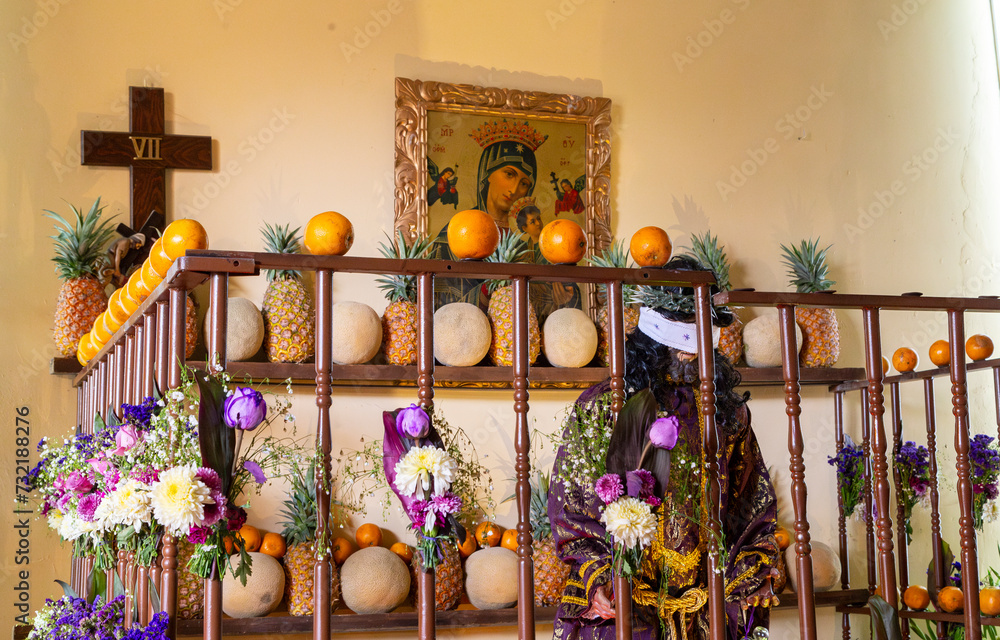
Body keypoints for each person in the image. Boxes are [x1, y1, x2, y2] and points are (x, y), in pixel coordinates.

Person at [548, 256, 780, 640]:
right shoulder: (604, 406)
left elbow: (751, 504)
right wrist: (600, 577)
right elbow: (571, 504)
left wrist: (747, 574)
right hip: (628, 603)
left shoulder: (726, 414)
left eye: (699, 330)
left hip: (705, 610)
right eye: (681, 331)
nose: (689, 350)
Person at [431, 120, 548, 309]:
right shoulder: (457, 230)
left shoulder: (526, 238)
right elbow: (436, 299)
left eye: (524, 183)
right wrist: (485, 292)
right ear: (488, 173)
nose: (514, 189)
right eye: (509, 174)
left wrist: (564, 295)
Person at [510, 196, 582, 324]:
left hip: (553, 300)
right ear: (524, 228)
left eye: (538, 219)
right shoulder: (524, 252)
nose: (538, 223)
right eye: (533, 221)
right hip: (534, 305)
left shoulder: (553, 245)